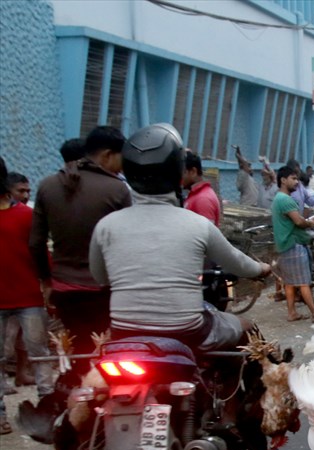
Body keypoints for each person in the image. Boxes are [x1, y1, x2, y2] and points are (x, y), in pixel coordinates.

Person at [89, 123, 270, 352]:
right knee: (248, 328)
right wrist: (261, 269)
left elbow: (100, 277)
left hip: (125, 334)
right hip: (189, 332)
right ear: (176, 171)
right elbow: (237, 262)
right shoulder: (197, 225)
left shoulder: (106, 226)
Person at [29, 125, 132, 364]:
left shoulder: (47, 185)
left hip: (64, 290)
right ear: (107, 155)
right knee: (108, 355)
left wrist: (46, 281)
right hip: (104, 292)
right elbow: (128, 243)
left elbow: (36, 243)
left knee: (78, 353)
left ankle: (76, 396)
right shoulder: (117, 189)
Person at [0, 156, 54, 435]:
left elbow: (40, 253)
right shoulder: (25, 216)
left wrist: (47, 282)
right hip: (21, 297)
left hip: (28, 297)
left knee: (40, 354)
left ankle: (49, 408)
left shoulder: (25, 216)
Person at [271, 165, 314, 324]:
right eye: (293, 179)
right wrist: (311, 223)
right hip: (293, 244)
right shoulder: (286, 200)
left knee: (289, 283)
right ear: (283, 180)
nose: (297, 182)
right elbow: (298, 221)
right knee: (303, 283)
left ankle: (292, 313)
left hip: (284, 245)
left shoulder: (278, 198)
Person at [183, 151, 220, 226]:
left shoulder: (203, 199)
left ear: (193, 171)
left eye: (181, 173)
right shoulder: (196, 194)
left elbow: (206, 234)